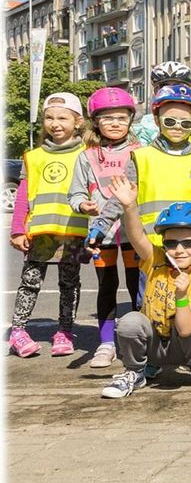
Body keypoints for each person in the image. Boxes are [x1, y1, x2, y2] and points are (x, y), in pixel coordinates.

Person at [100, 177, 191, 398]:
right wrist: (129, 206)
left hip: (181, 347)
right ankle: (135, 371)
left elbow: (186, 330)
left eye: (189, 243)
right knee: (130, 321)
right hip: (153, 346)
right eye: (171, 243)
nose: (180, 250)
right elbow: (136, 235)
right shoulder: (155, 259)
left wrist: (181, 295)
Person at [87, 84, 191, 252]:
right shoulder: (141, 158)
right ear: (156, 120)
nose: (177, 127)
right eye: (170, 121)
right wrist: (101, 225)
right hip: (150, 248)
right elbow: (121, 197)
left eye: (185, 123)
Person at [9, 93, 89, 358]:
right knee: (30, 281)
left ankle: (65, 330)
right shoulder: (33, 156)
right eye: (49, 118)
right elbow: (23, 194)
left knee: (69, 282)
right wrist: (18, 229)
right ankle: (18, 331)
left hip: (74, 232)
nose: (55, 123)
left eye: (62, 118)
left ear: (78, 122)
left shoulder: (87, 154)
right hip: (40, 232)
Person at [67, 88, 142, 367]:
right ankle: (107, 343)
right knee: (107, 286)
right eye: (107, 118)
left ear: (131, 120)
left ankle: (138, 339)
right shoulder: (86, 156)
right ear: (95, 121)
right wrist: (82, 205)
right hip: (103, 235)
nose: (114, 123)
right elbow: (74, 194)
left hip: (134, 233)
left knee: (138, 288)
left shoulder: (141, 153)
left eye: (121, 118)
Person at [131, 62, 191, 149]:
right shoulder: (145, 124)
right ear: (155, 90)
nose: (171, 91)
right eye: (164, 86)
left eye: (177, 85)